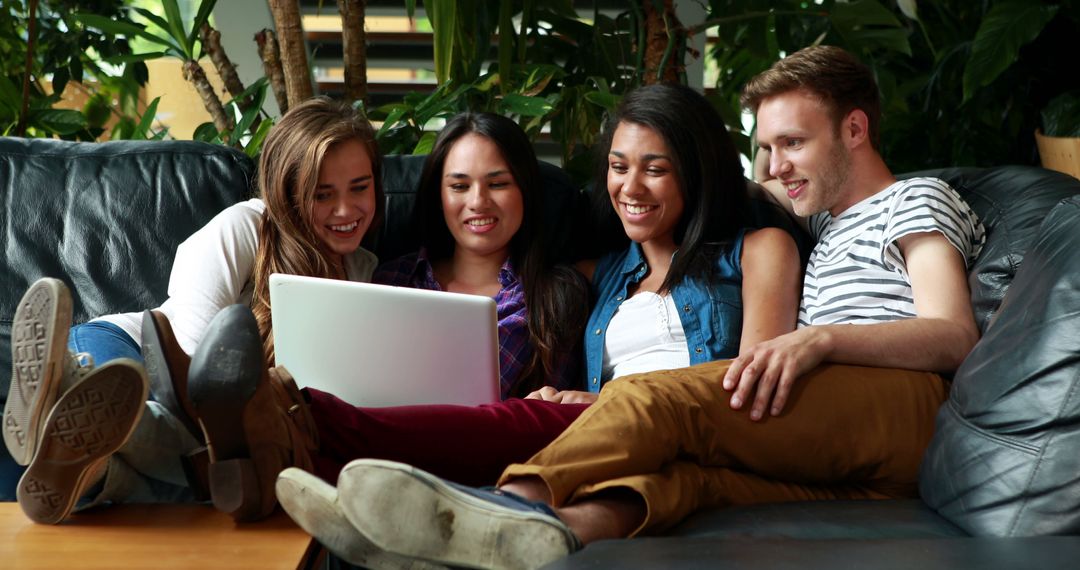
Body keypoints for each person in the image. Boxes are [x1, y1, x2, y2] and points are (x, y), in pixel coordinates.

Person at [321, 45, 989, 570]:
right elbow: (735, 196)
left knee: (650, 400)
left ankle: (493, 508)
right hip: (857, 452)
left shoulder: (913, 201)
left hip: (898, 403)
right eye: (764, 148)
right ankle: (526, 538)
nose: (777, 166)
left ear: (855, 129)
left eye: (793, 144)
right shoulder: (822, 220)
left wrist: (818, 342)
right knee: (678, 484)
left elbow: (953, 334)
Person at [263, 83, 803, 568]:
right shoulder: (602, 273)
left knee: (529, 415)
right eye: (618, 167)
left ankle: (304, 426)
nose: (631, 188)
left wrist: (604, 401)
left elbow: (745, 388)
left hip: (675, 421)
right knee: (534, 411)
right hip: (608, 436)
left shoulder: (759, 251)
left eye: (655, 169)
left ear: (697, 171)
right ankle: (340, 481)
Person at [3, 96, 384, 525]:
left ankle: (86, 466)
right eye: (322, 194)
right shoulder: (246, 227)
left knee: (234, 470)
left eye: (360, 186)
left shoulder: (363, 271)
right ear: (288, 192)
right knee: (226, 467)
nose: (346, 210)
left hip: (216, 416)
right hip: (131, 358)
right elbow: (184, 370)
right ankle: (73, 382)